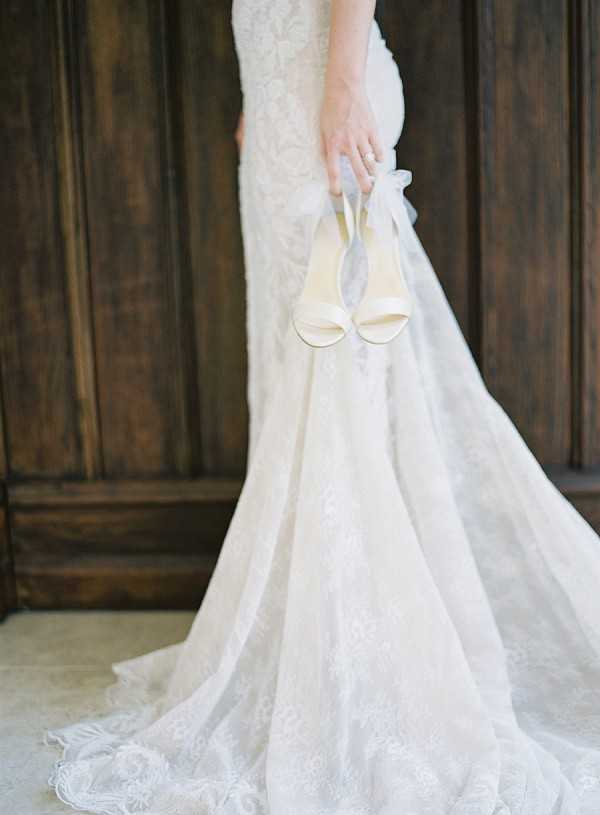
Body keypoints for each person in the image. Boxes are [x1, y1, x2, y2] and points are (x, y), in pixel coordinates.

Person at [45, 1, 600, 812]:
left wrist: (337, 86)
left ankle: (366, 656)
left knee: (338, 362)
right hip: (282, 98)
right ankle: (333, 637)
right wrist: (263, 95)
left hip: (322, 96)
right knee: (306, 361)